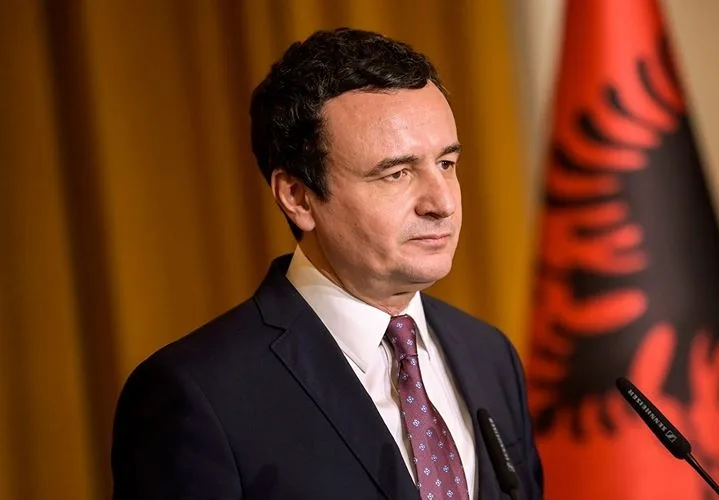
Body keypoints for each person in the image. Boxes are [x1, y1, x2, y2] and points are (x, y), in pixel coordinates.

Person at [110, 27, 544, 499]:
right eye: (397, 173)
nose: (441, 203)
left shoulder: (489, 355)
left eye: (446, 164)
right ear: (298, 197)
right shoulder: (199, 394)